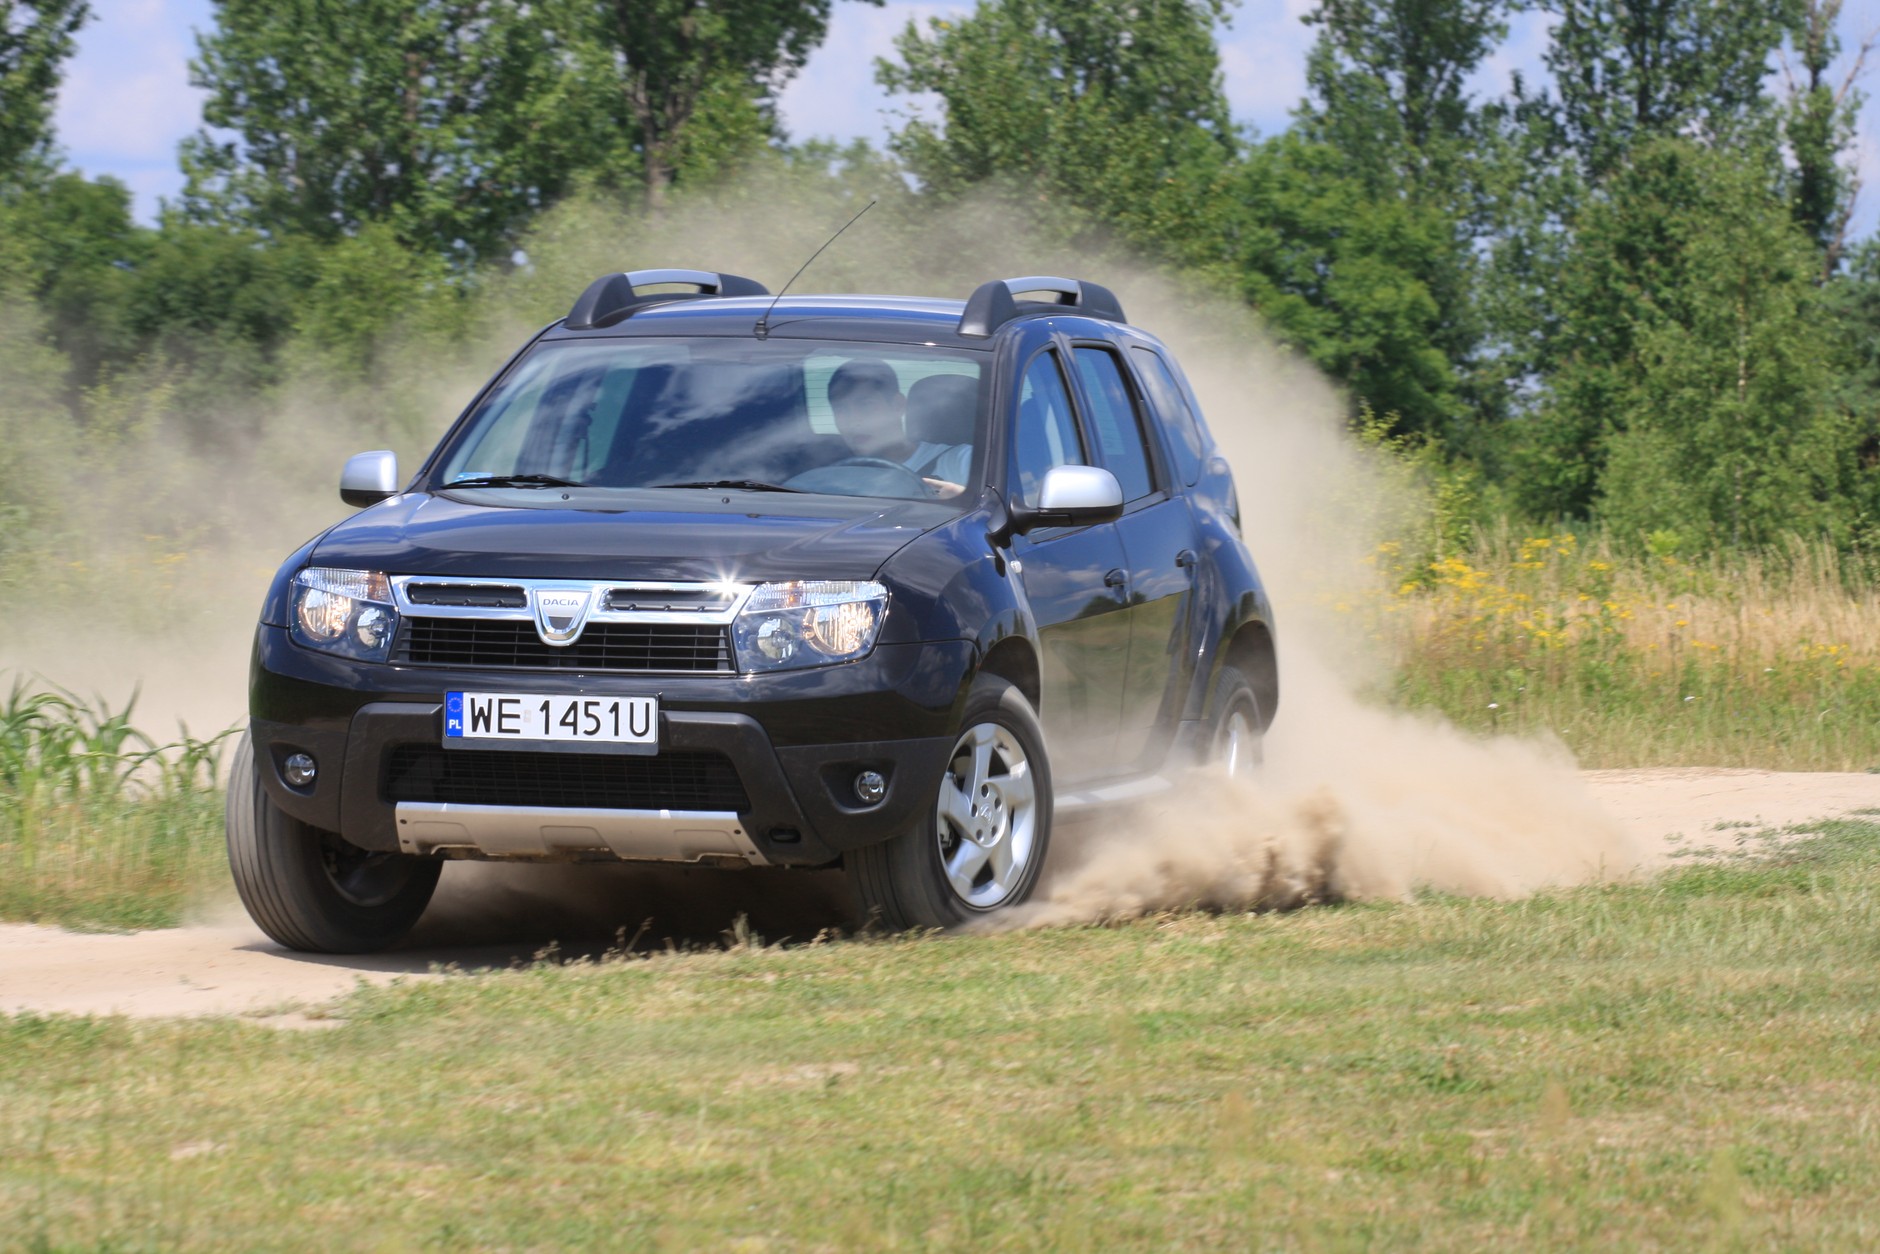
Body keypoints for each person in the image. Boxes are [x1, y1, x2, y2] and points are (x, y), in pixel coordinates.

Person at [826, 359, 969, 495]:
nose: (852, 421)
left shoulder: (960, 460)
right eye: (841, 411)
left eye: (865, 405)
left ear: (897, 405)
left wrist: (961, 498)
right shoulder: (832, 476)